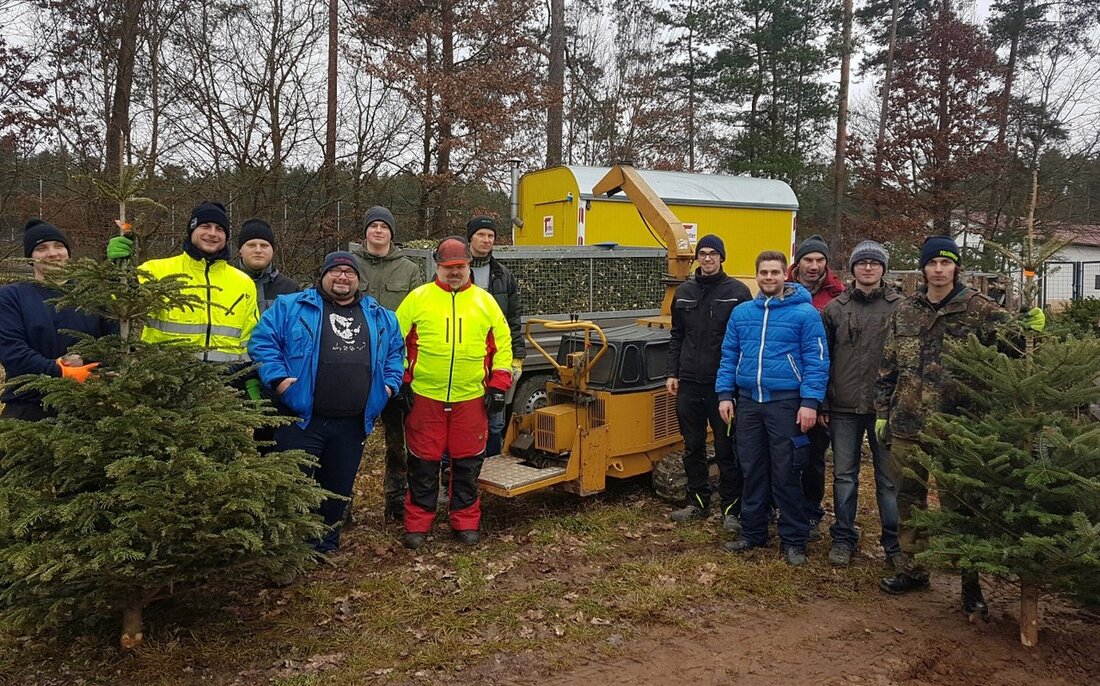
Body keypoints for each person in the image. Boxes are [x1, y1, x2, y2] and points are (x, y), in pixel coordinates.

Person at [875, 235, 1044, 617]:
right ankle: (913, 568)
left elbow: (1018, 352)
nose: (938, 269)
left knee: (961, 504)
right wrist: (882, 411)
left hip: (960, 427)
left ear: (956, 267)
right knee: (909, 498)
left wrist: (1031, 329)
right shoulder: (905, 311)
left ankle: (970, 582)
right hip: (908, 423)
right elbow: (888, 366)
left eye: (946, 263)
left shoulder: (980, 309)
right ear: (923, 269)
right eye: (932, 263)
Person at [248, 251, 404, 553]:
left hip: (353, 423)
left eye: (349, 272)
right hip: (302, 419)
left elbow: (396, 354)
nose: (342, 276)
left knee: (337, 489)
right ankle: (288, 551)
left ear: (358, 280)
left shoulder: (381, 316)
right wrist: (279, 380)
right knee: (292, 488)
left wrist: (387, 387)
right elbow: (263, 341)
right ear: (323, 275)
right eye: (335, 270)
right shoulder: (291, 306)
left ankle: (325, 547)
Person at [395, 236, 512, 550]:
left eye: (460, 266)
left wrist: (499, 385)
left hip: (470, 397)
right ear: (438, 267)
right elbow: (395, 342)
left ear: (469, 265)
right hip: (425, 396)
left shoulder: (485, 302)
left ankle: (465, 521)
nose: (455, 272)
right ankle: (417, 523)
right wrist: (402, 379)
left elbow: (502, 347)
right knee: (422, 463)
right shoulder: (418, 299)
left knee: (467, 464)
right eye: (449, 267)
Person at [716, 250, 829, 567]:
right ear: (757, 276)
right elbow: (729, 355)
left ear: (785, 275)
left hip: (786, 404)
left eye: (775, 272)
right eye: (764, 272)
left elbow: (817, 361)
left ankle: (793, 539)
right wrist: (725, 394)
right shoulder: (742, 314)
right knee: (752, 469)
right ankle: (753, 532)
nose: (769, 277)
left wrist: (810, 402)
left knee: (787, 471)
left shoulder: (805, 314)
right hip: (749, 403)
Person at [820, 240, 902, 568]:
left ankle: (895, 544)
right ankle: (843, 537)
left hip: (885, 409)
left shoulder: (900, 308)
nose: (868, 268)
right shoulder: (835, 309)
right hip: (843, 407)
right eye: (862, 263)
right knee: (844, 476)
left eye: (874, 263)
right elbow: (822, 359)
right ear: (853, 268)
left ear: (883, 269)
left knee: (889, 481)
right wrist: (823, 402)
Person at [664, 235, 751, 532]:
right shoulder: (684, 292)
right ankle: (697, 502)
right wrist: (672, 372)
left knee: (726, 448)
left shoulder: (737, 293)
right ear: (697, 258)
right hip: (689, 382)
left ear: (722, 257)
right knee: (693, 446)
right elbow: (677, 335)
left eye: (714, 253)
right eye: (703, 253)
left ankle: (731, 508)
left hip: (722, 385)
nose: (708, 258)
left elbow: (745, 340)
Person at [107, 201, 259, 365]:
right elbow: (120, 303)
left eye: (220, 229)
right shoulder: (156, 271)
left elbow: (249, 339)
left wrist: (246, 375)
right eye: (205, 226)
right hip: (164, 375)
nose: (212, 233)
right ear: (192, 230)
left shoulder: (243, 283)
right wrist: (116, 268)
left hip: (225, 378)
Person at [0, 219, 115, 420]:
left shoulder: (94, 294)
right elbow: (11, 351)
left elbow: (116, 343)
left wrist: (86, 362)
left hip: (89, 405)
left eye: (59, 246)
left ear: (68, 252)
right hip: (28, 407)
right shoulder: (11, 297)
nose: (52, 253)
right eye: (41, 248)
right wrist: (60, 371)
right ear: (30, 258)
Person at [354, 205, 423, 522]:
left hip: (394, 368)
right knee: (349, 440)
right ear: (366, 231)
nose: (378, 231)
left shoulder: (408, 270)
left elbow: (418, 322)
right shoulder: (349, 264)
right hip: (353, 365)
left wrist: (408, 372)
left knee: (398, 441)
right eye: (373, 226)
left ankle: (395, 501)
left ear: (391, 233)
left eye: (384, 226)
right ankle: (341, 503)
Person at [787, 233, 844, 540]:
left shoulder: (837, 298)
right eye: (808, 259)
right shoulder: (780, 291)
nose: (814, 265)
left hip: (819, 392)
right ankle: (783, 508)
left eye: (820, 260)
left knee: (813, 456)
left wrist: (824, 401)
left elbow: (837, 353)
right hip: (784, 390)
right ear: (798, 263)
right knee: (783, 454)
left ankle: (811, 512)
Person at [466, 215, 525, 457]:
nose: (486, 240)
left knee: (495, 420)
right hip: (466, 356)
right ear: (470, 238)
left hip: (496, 358)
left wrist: (517, 357)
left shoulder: (503, 276)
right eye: (481, 234)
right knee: (464, 419)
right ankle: (455, 469)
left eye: (490, 236)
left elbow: (513, 319)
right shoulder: (457, 271)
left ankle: (490, 465)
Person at [235, 218, 299, 313]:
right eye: (251, 245)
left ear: (272, 250)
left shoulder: (290, 288)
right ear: (240, 250)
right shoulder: (225, 284)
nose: (258, 250)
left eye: (264, 245)